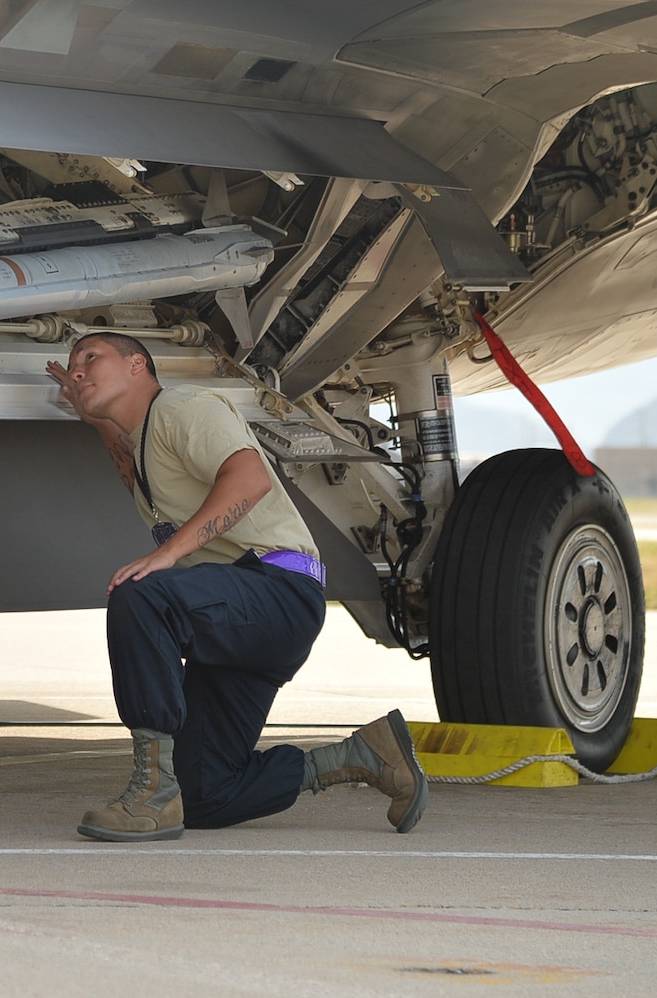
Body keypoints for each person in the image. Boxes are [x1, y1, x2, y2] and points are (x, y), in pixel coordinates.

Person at [45, 331, 427, 841]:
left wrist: (167, 554)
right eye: (72, 364)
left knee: (141, 596)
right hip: (238, 617)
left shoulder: (183, 407)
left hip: (275, 589)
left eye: (91, 357)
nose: (77, 370)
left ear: (138, 364)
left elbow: (249, 480)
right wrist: (96, 420)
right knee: (203, 794)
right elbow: (135, 472)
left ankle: (150, 794)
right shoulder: (145, 444)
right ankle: (363, 757)